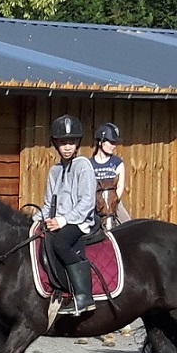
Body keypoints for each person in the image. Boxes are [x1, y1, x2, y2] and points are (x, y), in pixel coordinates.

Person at [39, 117, 99, 311]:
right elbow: (49, 203)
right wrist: (35, 221)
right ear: (55, 144)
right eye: (63, 143)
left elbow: (87, 202)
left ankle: (83, 295)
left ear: (77, 144)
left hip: (79, 221)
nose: (67, 147)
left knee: (60, 243)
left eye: (71, 143)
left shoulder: (83, 166)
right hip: (57, 220)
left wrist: (63, 220)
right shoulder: (55, 170)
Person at [90, 122, 128, 224]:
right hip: (94, 204)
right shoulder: (89, 164)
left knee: (128, 223)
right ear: (100, 142)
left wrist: (113, 202)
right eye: (111, 142)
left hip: (113, 202)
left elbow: (120, 186)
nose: (114, 146)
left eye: (115, 143)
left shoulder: (118, 163)